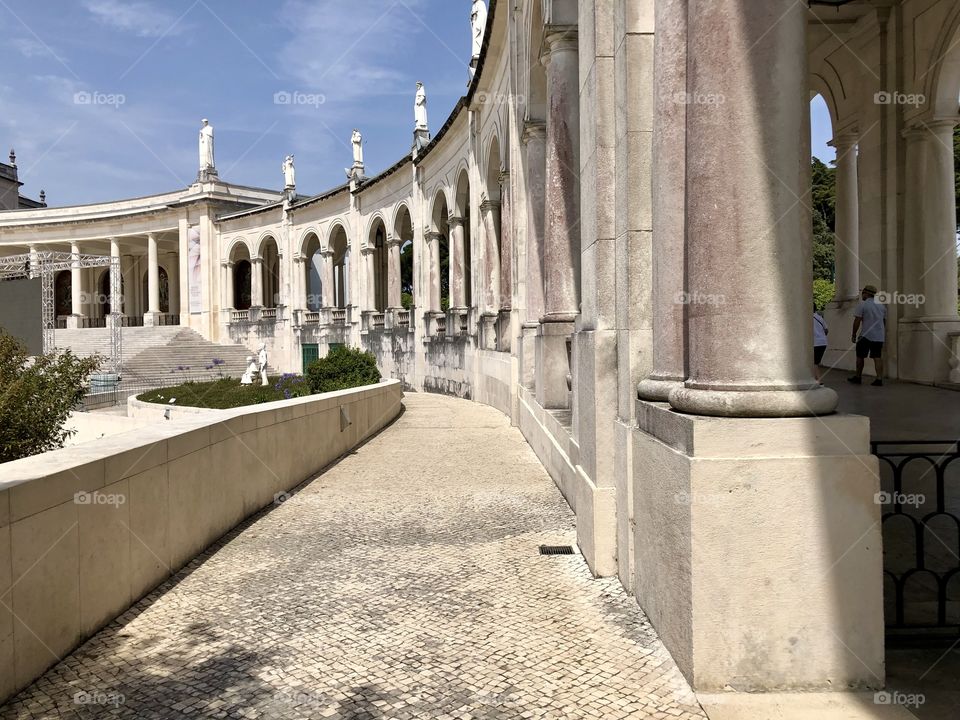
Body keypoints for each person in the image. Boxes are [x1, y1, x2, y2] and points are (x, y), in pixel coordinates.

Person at [848, 284, 886, 386]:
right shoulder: (881, 306)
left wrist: (854, 334)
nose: (862, 294)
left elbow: (857, 320)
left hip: (865, 335)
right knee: (877, 356)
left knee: (860, 356)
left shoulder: (862, 304)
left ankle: (858, 377)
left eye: (863, 292)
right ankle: (879, 379)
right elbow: (884, 321)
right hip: (879, 335)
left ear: (866, 293)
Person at [813, 305, 828, 382]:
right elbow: (826, 330)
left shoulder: (807, 318)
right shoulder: (819, 317)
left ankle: (818, 380)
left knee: (814, 363)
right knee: (816, 362)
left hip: (815, 343)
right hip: (823, 342)